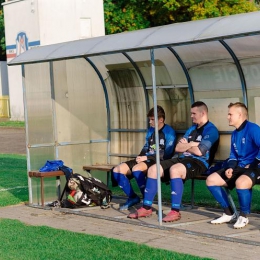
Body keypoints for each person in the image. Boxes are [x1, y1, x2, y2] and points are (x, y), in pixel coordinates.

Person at [128, 101, 219, 221]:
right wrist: (192, 144)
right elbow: (178, 148)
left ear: (202, 113)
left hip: (199, 162)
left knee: (175, 169)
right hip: (182, 159)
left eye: (193, 113)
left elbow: (199, 152)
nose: (191, 116)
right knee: (153, 169)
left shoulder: (211, 130)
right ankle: (146, 207)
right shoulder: (191, 129)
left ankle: (175, 211)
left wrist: (187, 146)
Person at [206, 102, 260, 229]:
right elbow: (233, 155)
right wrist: (230, 167)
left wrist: (253, 164)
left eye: (230, 114)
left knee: (241, 182)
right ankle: (229, 213)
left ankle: (244, 216)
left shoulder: (253, 129)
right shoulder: (235, 133)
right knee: (211, 180)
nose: (227, 117)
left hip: (256, 167)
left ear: (240, 115)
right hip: (239, 167)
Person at [112, 106, 176, 210]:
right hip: (146, 158)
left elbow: (167, 154)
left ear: (161, 119)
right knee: (117, 170)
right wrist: (140, 156)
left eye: (152, 119)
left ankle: (147, 202)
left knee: (136, 169)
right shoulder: (151, 130)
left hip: (158, 160)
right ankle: (133, 197)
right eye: (149, 119)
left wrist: (146, 157)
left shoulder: (169, 132)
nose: (150, 122)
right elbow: (146, 146)